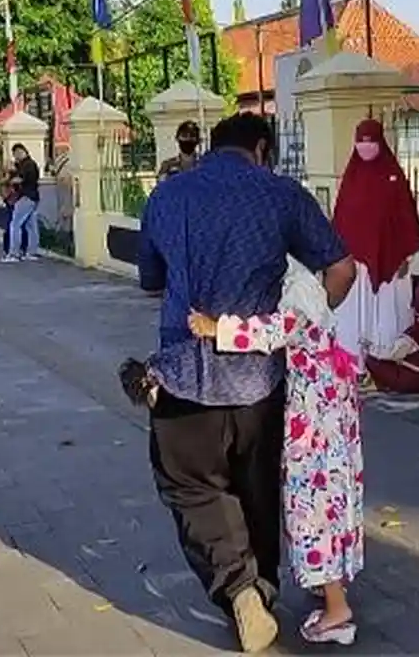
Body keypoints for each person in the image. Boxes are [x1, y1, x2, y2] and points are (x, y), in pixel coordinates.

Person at [136, 111, 356, 653]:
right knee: (257, 490)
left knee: (190, 486)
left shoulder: (166, 196)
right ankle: (263, 587)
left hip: (184, 378)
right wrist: (307, 324)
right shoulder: (283, 194)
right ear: (261, 148)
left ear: (207, 146)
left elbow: (150, 280)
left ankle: (238, 588)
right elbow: (343, 269)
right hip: (260, 381)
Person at [186, 258, 363, 645]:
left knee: (313, 505)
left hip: (314, 415)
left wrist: (218, 328)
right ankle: (332, 587)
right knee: (335, 497)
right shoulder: (313, 291)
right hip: (331, 407)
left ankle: (336, 610)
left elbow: (269, 331)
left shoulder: (296, 297)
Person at [332, 119, 419, 361]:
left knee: (387, 311)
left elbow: (406, 215)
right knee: (356, 314)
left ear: (381, 142)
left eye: (371, 140)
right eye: (361, 141)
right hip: (356, 265)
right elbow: (341, 218)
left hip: (391, 261)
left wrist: (406, 254)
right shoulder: (351, 179)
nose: (366, 146)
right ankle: (354, 361)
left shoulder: (393, 176)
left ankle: (387, 360)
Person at [2, 143, 40, 263]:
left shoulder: (28, 165)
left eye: (17, 153)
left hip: (26, 197)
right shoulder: (26, 164)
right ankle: (31, 252)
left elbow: (20, 179)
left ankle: (14, 253)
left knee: (15, 224)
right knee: (31, 225)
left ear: (22, 152)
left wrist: (11, 180)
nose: (16, 156)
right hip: (32, 197)